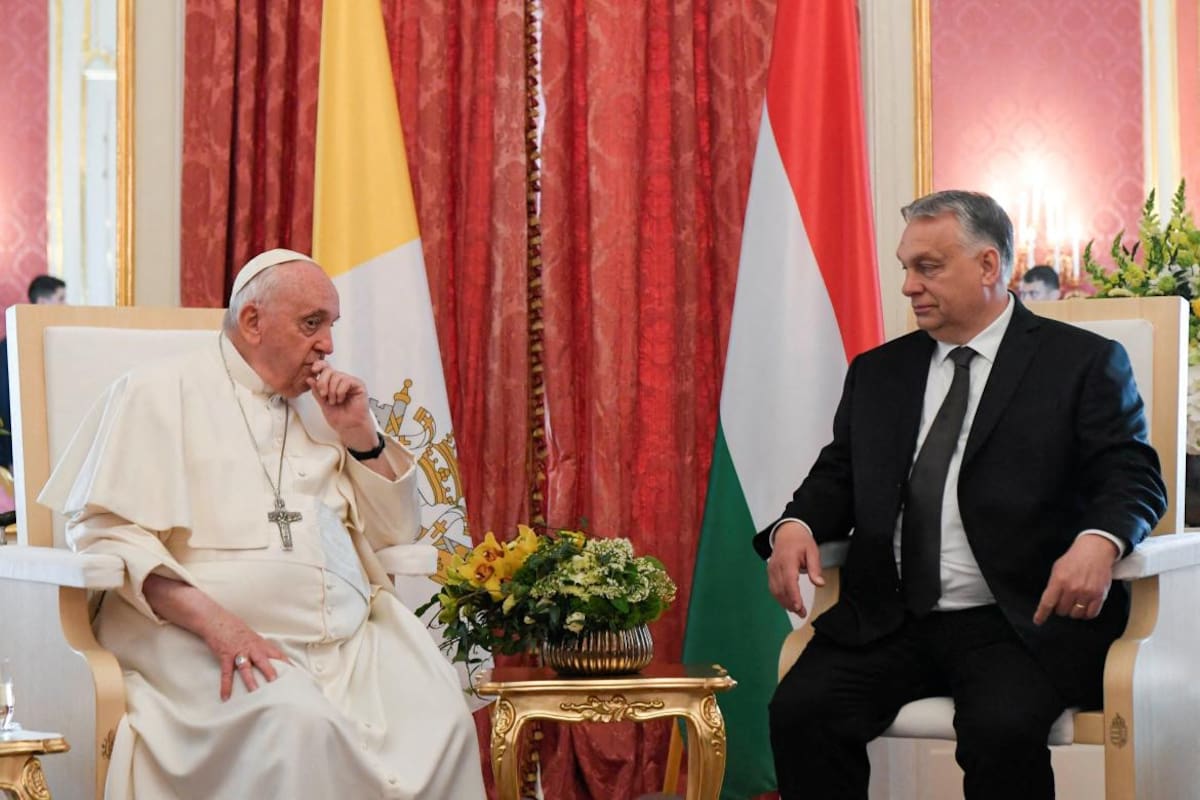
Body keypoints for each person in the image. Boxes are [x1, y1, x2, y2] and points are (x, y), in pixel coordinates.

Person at [758, 191, 1166, 800]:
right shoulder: (879, 371)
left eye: (928, 267)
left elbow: (1131, 474)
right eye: (905, 267)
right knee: (802, 711)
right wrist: (795, 524)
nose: (908, 286)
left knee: (1000, 730)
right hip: (889, 620)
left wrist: (1099, 541)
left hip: (1019, 620)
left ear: (987, 266)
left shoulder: (1081, 363)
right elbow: (839, 473)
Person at [38, 250, 485, 799]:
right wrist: (215, 623)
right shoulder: (157, 391)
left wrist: (360, 436)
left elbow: (395, 536)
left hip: (350, 649)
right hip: (200, 643)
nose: (328, 346)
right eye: (311, 324)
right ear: (252, 322)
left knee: (443, 720)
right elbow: (106, 535)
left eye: (330, 326)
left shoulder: (324, 413)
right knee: (297, 724)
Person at [0, 275, 67, 469]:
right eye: (61, 299)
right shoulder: (11, 346)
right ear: (42, 302)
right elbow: (6, 403)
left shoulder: (59, 343)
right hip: (18, 453)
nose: (67, 305)